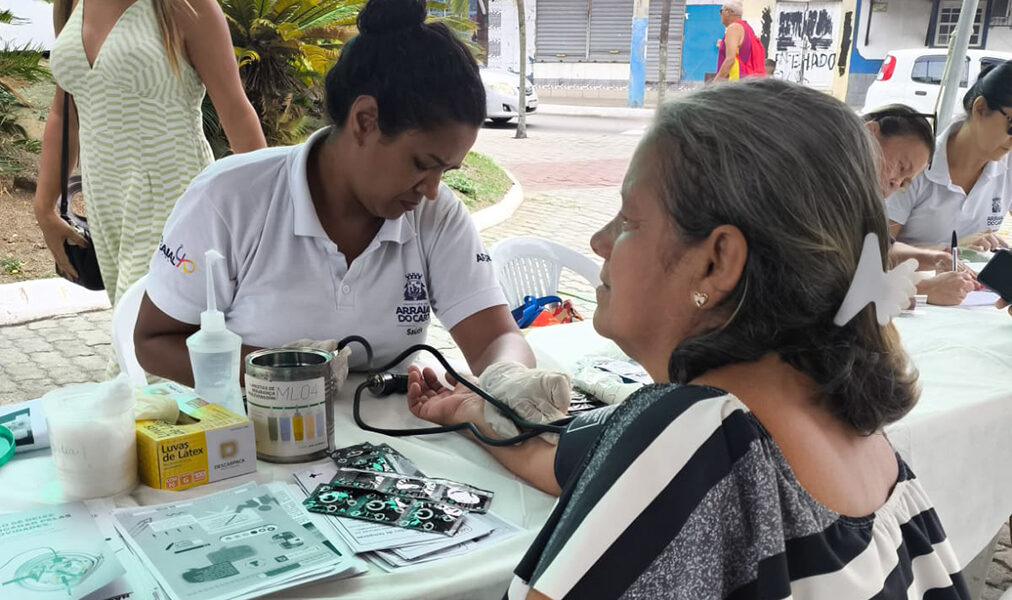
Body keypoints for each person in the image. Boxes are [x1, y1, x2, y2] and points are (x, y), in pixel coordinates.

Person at [409, 79, 969, 599]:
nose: (599, 240)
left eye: (628, 220)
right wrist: (464, 409)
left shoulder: (697, 432)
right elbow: (557, 460)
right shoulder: (857, 431)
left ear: (717, 262)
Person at [134, 0, 534, 386]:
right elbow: (154, 342)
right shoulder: (229, 199)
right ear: (365, 121)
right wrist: (284, 373)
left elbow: (498, 340)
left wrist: (510, 378)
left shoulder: (435, 217)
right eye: (422, 164)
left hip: (392, 449)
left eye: (446, 171)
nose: (432, 190)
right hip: (256, 445)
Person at [34, 0, 266, 306]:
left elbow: (235, 111)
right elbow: (64, 115)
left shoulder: (186, 6)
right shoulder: (74, 3)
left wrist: (268, 220)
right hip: (106, 208)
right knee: (131, 329)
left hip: (174, 201)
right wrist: (44, 208)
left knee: (146, 330)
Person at [887, 60, 1012, 252]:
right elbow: (878, 251)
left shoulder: (1008, 165)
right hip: (910, 281)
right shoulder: (916, 165)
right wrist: (953, 251)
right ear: (980, 109)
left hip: (972, 282)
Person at [864, 105, 977, 306]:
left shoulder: (862, 202)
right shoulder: (819, 190)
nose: (895, 183)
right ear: (870, 133)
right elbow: (829, 285)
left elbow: (878, 248)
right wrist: (922, 289)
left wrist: (932, 257)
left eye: (905, 182)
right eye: (900, 166)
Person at [715, 1, 763, 81]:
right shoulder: (747, 28)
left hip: (735, 81)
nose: (720, 14)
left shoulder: (734, 28)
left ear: (728, 12)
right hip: (746, 80)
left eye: (721, 11)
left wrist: (715, 84)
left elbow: (730, 59)